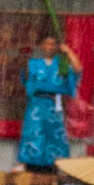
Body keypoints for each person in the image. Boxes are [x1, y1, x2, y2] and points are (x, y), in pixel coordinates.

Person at [18, 29, 82, 171]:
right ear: (41, 45)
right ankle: (29, 163)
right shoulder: (34, 62)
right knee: (33, 132)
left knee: (54, 134)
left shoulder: (62, 63)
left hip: (54, 104)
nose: (49, 47)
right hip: (36, 103)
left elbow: (78, 69)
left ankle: (55, 164)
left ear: (57, 47)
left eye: (53, 44)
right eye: (46, 44)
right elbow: (26, 79)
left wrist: (68, 52)